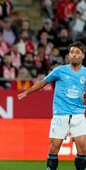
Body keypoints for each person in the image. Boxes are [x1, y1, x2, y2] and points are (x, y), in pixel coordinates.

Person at [18, 41, 86, 170]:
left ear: (83, 55)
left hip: (78, 115)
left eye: (77, 53)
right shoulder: (60, 70)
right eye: (72, 52)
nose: (74, 55)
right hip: (60, 115)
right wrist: (26, 92)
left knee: (83, 149)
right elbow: (43, 82)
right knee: (54, 148)